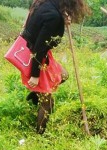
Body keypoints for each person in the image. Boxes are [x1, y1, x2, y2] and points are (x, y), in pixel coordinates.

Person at [21, 0, 90, 134]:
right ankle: (39, 135)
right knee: (47, 104)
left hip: (39, 53)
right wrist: (35, 76)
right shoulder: (53, 16)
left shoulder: (46, 3)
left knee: (63, 75)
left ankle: (36, 95)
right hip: (36, 57)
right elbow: (39, 48)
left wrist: (63, 18)